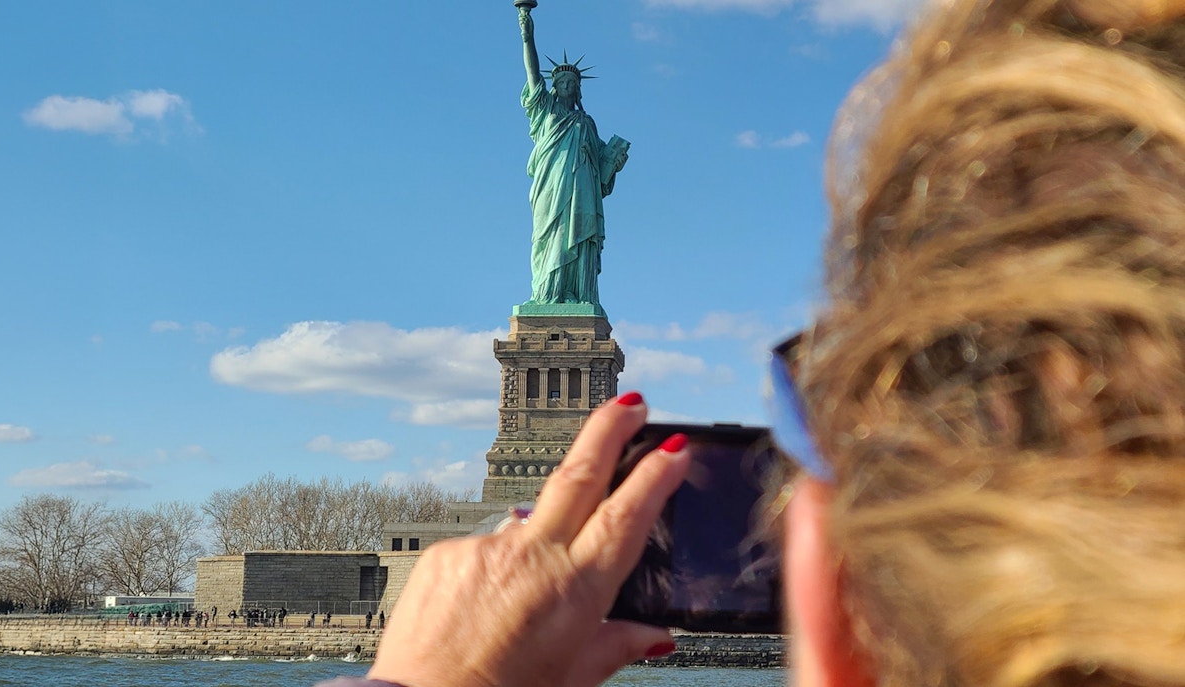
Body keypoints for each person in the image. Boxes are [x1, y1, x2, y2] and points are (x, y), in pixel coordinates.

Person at [319, 1, 1185, 686]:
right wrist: (522, 22)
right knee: (557, 255)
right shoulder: (551, 118)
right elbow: (530, 81)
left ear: (829, 603)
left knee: (576, 255)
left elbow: (599, 172)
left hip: (579, 224)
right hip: (554, 222)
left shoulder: (580, 134)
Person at [517, 4, 629, 307]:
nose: (566, 87)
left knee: (577, 237)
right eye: (561, 83)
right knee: (551, 236)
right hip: (551, 186)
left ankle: (578, 294)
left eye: (572, 84)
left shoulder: (586, 123)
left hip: (582, 191)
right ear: (554, 88)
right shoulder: (545, 112)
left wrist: (614, 162)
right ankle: (547, 294)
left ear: (578, 90)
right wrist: (528, 36)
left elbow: (601, 170)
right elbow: (532, 74)